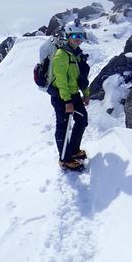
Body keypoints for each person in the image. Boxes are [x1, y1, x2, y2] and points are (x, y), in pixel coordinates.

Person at [48, 23, 91, 171]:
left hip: (74, 94)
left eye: (80, 36)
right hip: (62, 97)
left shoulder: (77, 54)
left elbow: (82, 77)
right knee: (63, 127)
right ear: (68, 36)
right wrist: (67, 101)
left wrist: (86, 94)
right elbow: (60, 80)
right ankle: (64, 159)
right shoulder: (62, 55)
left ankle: (73, 150)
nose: (78, 39)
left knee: (82, 120)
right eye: (75, 36)